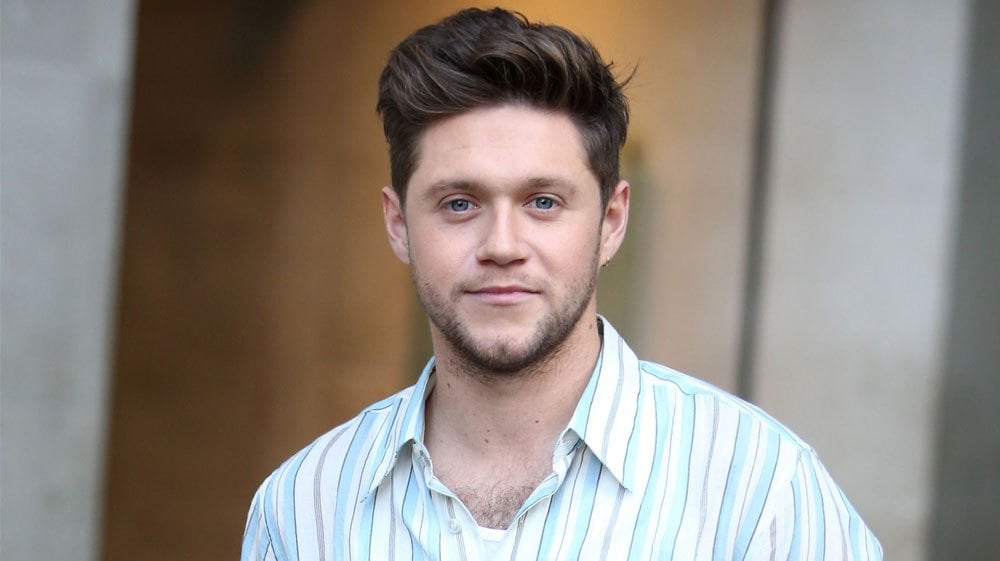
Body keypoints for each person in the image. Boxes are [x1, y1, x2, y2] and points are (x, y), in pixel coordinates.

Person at [241, 7, 882, 560]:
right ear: (398, 224)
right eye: (459, 203)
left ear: (611, 221)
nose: (502, 246)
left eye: (543, 202)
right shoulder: (304, 507)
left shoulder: (757, 491)